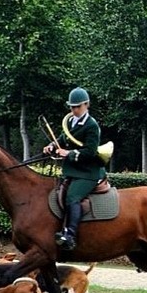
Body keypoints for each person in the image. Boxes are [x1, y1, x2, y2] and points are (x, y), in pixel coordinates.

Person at [43, 87, 107, 250]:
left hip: (88, 172)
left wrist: (68, 153)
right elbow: (63, 138)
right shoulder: (71, 121)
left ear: (86, 105)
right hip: (71, 170)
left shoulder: (92, 126)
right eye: (72, 107)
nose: (74, 110)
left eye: (77, 106)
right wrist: (52, 146)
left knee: (72, 196)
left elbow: (90, 151)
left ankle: (70, 235)